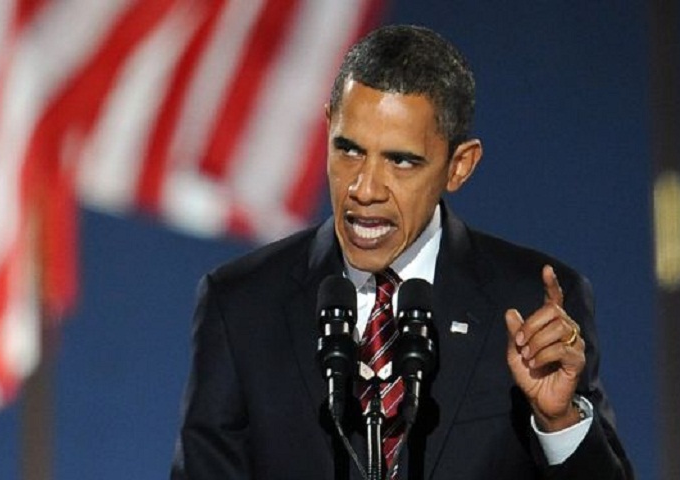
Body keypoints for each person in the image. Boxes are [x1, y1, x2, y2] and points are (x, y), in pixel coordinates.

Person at [170, 25, 633, 479]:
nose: (364, 188)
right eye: (348, 151)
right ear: (327, 126)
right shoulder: (240, 305)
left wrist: (559, 422)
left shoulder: (533, 306)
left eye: (401, 161)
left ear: (459, 166)